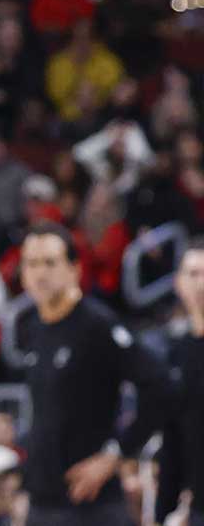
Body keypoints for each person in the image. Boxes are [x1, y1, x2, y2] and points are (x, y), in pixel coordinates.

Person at [15, 223, 172, 525]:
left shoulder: (97, 324)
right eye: (31, 263)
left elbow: (160, 386)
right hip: (43, 503)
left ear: (74, 269)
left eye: (50, 262)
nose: (40, 273)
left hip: (92, 505)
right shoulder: (33, 327)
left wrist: (115, 455)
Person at [157, 239, 204, 526]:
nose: (201, 284)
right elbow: (172, 435)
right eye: (193, 274)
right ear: (178, 283)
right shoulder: (176, 352)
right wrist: (162, 513)